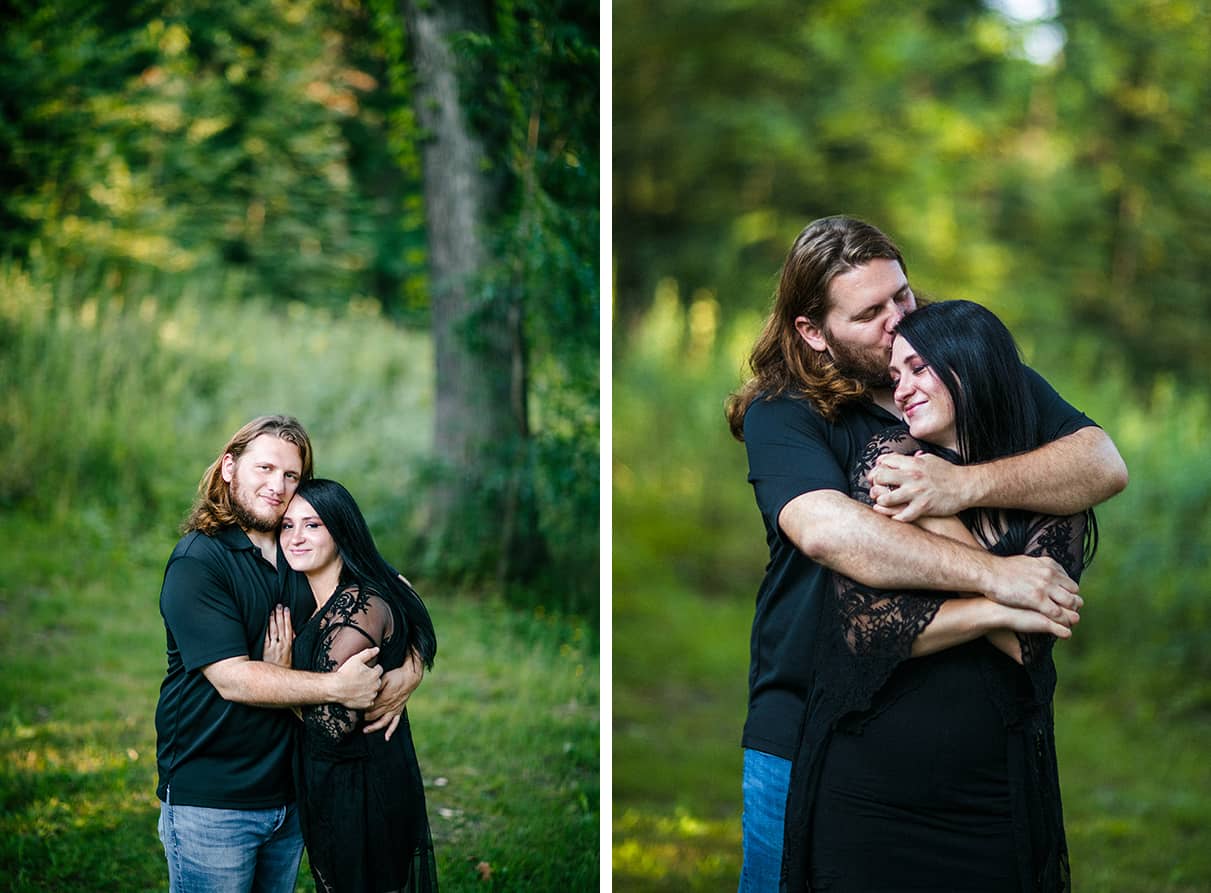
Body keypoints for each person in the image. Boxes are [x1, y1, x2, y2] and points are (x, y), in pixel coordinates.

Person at [724, 217, 1128, 891]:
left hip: (972, 730)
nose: (896, 321)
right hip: (803, 721)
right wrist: (999, 577)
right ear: (812, 332)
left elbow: (1100, 462)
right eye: (869, 312)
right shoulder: (785, 411)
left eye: (901, 297)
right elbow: (830, 531)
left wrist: (959, 484)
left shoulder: (959, 373)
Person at [781, 299, 1098, 891]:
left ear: (970, 366)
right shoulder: (888, 463)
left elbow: (1030, 649)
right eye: (895, 374)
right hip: (867, 783)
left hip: (990, 791)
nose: (901, 389)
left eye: (919, 369)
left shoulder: (1051, 491)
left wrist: (941, 513)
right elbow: (865, 630)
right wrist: (1003, 594)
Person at [154, 415, 424, 893]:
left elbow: (395, 591)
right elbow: (233, 679)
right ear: (229, 468)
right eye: (264, 468)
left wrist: (410, 670)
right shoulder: (199, 563)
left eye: (291, 475)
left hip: (293, 793)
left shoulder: (301, 547)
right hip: (214, 799)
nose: (277, 486)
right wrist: (337, 687)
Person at [265, 478, 439, 893]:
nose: (296, 537)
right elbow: (407, 595)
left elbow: (333, 724)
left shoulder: (353, 610)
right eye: (288, 526)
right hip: (344, 784)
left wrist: (281, 678)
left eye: (313, 525)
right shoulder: (338, 597)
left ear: (341, 530)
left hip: (360, 791)